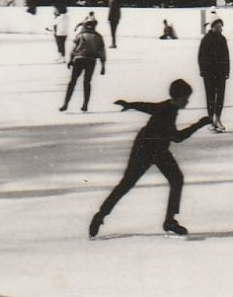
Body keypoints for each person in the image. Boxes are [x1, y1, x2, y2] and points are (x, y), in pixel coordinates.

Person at [88, 79, 212, 239]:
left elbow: (148, 106)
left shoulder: (167, 106)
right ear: (178, 97)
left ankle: (170, 221)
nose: (187, 101)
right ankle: (100, 216)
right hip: (144, 150)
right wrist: (199, 124)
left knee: (176, 179)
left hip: (159, 150)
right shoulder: (167, 111)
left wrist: (130, 104)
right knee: (127, 183)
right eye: (186, 98)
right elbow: (177, 137)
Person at [61, 19, 107, 112]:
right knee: (87, 82)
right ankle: (85, 104)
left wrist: (70, 60)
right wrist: (103, 65)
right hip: (91, 60)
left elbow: (73, 49)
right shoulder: (99, 37)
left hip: (79, 59)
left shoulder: (80, 35)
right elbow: (102, 52)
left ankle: (66, 103)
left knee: (72, 82)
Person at [196, 18, 230, 132]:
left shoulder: (223, 39)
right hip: (209, 73)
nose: (220, 28)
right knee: (210, 97)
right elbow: (201, 56)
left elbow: (226, 56)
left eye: (221, 26)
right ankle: (211, 120)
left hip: (220, 73)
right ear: (213, 27)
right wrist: (203, 70)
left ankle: (218, 119)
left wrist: (227, 71)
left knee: (220, 97)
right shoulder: (206, 39)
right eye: (218, 26)